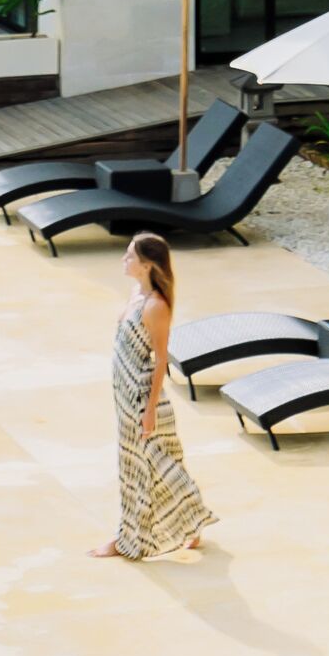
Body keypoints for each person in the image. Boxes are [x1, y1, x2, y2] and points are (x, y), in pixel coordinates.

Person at [96, 233, 213, 560]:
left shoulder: (155, 306)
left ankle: (127, 540)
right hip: (124, 391)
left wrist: (148, 410)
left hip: (140, 396)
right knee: (152, 463)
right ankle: (193, 519)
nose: (123, 260)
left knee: (140, 467)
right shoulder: (137, 293)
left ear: (147, 265)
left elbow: (161, 359)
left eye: (130, 256)